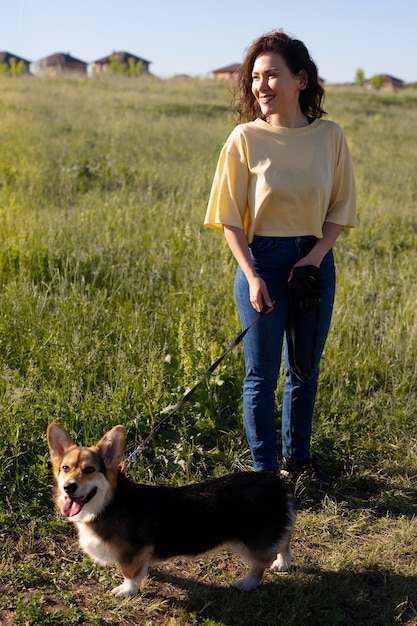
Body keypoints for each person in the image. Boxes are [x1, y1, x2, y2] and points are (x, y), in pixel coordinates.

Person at [204, 30, 356, 489]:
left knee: (304, 369)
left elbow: (339, 210)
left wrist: (312, 259)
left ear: (301, 80)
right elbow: (229, 218)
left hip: (314, 261)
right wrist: (251, 274)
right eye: (254, 77)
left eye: (272, 75)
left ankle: (299, 461)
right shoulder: (244, 138)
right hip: (262, 263)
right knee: (260, 375)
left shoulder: (330, 136)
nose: (260, 85)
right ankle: (265, 478)